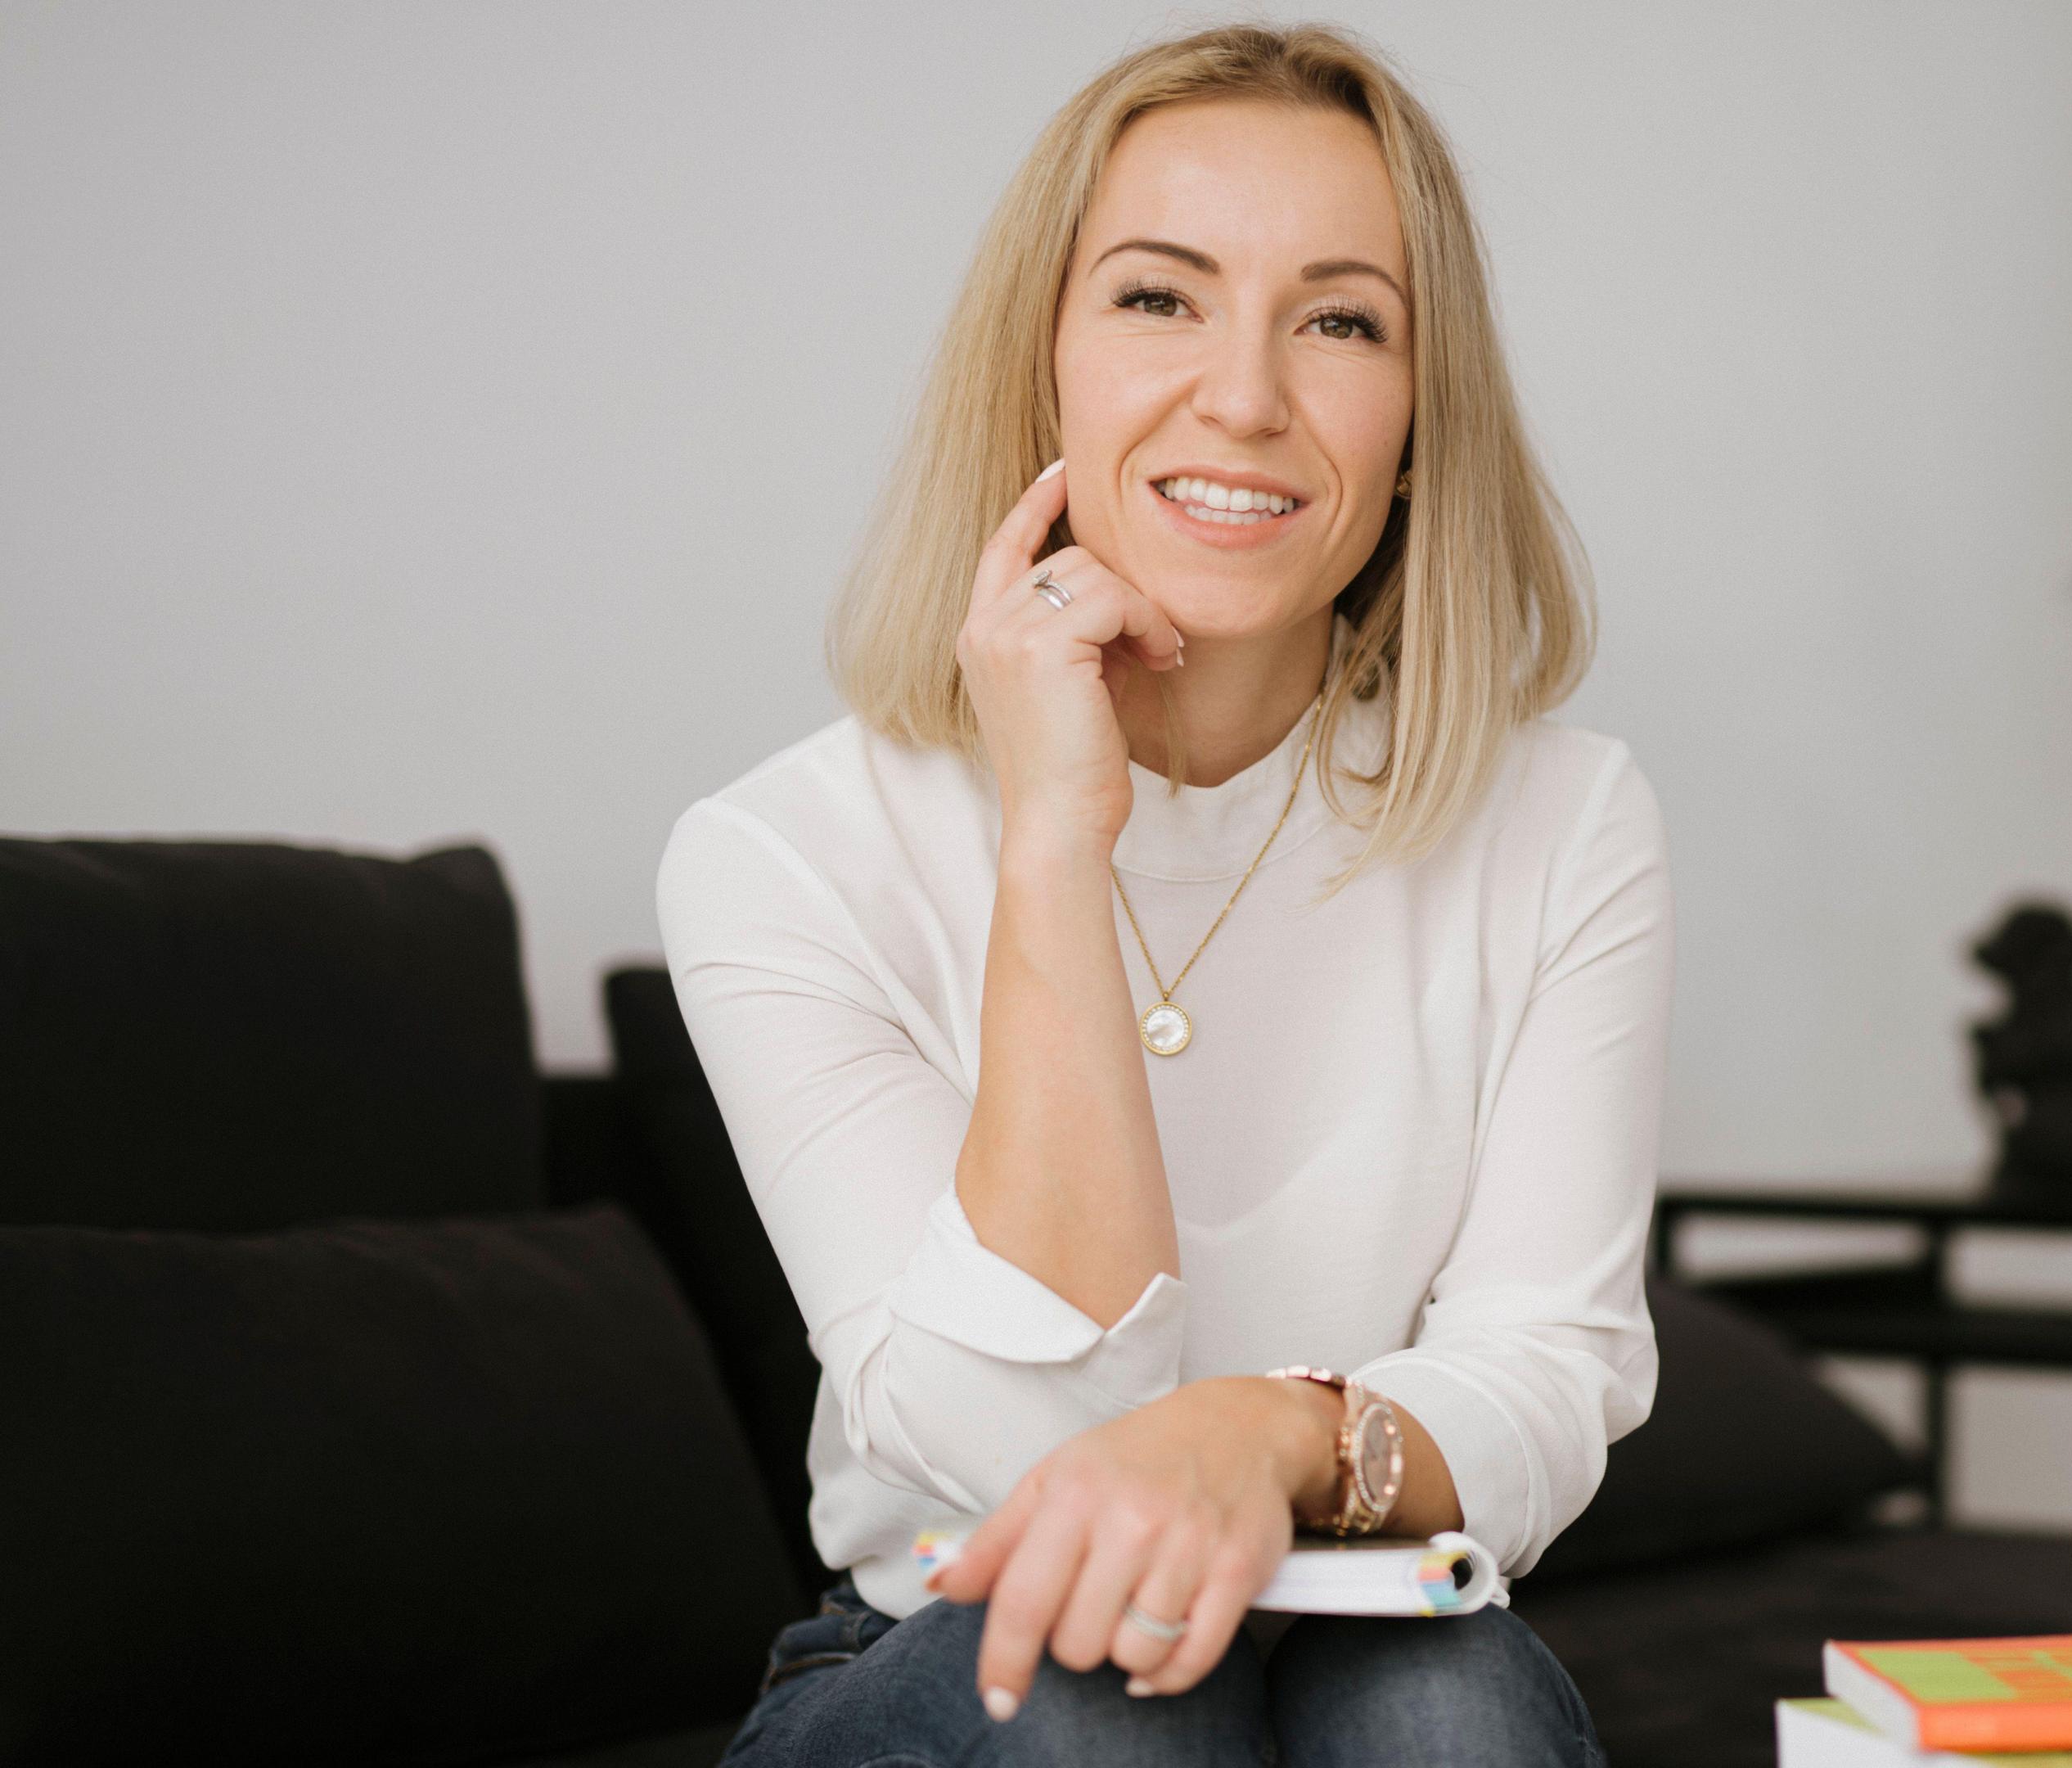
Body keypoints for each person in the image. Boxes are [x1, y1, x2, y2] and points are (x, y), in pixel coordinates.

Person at [655, 22, 1669, 1767]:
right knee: (1101, 1706)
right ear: (1040, 362)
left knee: (1460, 1705)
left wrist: (1269, 1438)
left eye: (1341, 318)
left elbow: (1549, 1379)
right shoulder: (780, 856)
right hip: (940, 1661)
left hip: (1360, 1621)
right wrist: (1056, 834)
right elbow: (1017, 1447)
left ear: (1422, 420)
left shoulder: (1564, 820)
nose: (1249, 395)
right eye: (1157, 299)